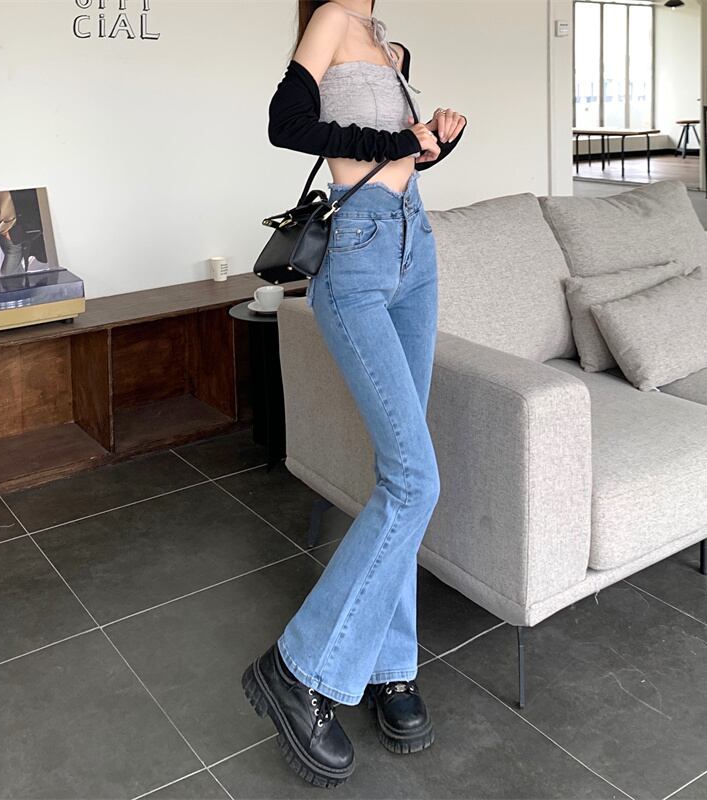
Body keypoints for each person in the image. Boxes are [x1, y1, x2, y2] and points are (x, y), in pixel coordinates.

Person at [242, 0, 467, 787]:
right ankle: (298, 668)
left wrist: (429, 144)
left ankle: (390, 667)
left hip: (415, 245)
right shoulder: (334, 17)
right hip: (361, 254)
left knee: (400, 476)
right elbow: (288, 124)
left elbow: (396, 159)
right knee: (417, 481)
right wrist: (399, 141)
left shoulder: (386, 43)